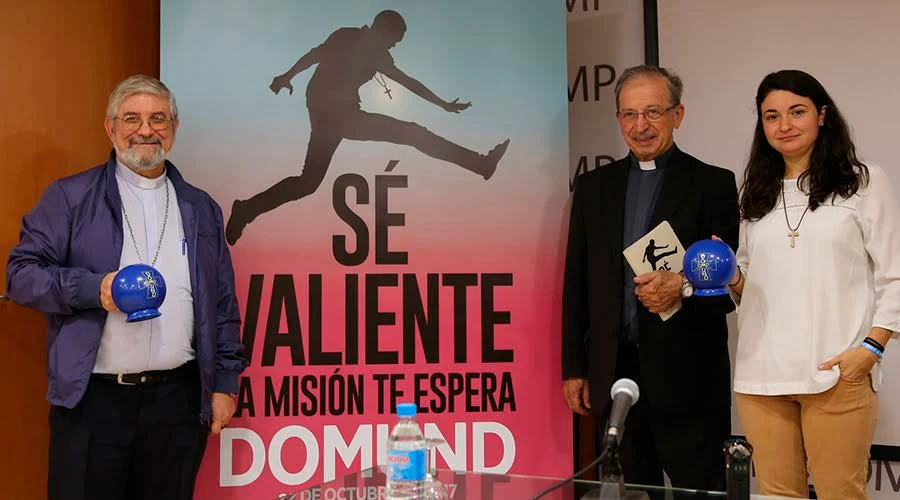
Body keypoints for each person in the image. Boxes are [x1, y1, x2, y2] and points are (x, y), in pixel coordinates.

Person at [5, 75, 248, 499]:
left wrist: (225, 384)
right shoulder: (69, 197)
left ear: (174, 127)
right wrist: (92, 289)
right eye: (131, 118)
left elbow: (223, 304)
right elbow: (20, 275)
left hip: (178, 401)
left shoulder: (200, 207)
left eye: (158, 118)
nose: (145, 129)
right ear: (110, 127)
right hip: (92, 404)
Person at [562, 65, 739, 492]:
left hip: (690, 376)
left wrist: (682, 285)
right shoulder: (592, 188)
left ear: (678, 115)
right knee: (629, 491)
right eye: (629, 114)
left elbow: (729, 288)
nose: (640, 126)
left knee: (700, 491)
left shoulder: (713, 184)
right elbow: (577, 283)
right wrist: (574, 367)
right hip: (616, 377)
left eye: (653, 112)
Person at [728, 69, 900, 499]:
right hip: (762, 379)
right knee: (776, 495)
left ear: (822, 115)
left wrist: (871, 349)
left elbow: (894, 273)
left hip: (835, 375)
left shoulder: (864, 182)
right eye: (771, 116)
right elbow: (751, 289)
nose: (783, 125)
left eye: (796, 111)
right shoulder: (756, 194)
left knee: (840, 493)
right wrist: (731, 278)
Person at [225, 9, 510, 245]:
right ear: (381, 30)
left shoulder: (380, 57)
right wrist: (286, 75)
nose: (393, 46)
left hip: (344, 117)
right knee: (412, 135)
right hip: (329, 116)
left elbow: (408, 82)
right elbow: (314, 55)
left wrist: (443, 104)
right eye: (393, 40)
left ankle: (246, 209)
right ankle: (481, 165)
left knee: (309, 182)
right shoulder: (346, 37)